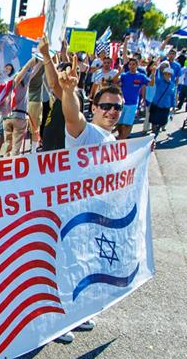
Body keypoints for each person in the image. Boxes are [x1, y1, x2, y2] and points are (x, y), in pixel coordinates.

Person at [53, 61, 124, 341]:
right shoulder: (87, 134)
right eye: (106, 106)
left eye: (117, 107)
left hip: (94, 216)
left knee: (84, 266)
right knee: (66, 268)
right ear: (93, 107)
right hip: (73, 215)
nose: (111, 112)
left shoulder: (112, 138)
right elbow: (72, 118)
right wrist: (69, 92)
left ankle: (76, 314)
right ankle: (57, 323)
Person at [116, 56, 149, 139]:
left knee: (127, 124)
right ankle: (121, 136)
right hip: (122, 103)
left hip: (133, 104)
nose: (131, 66)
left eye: (134, 64)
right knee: (119, 123)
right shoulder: (124, 75)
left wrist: (154, 73)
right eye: (130, 64)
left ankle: (123, 139)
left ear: (137, 65)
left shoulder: (141, 76)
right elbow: (115, 81)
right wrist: (119, 72)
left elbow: (150, 84)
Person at [147, 63, 178, 137]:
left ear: (171, 75)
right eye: (166, 74)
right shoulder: (159, 81)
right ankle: (153, 134)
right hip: (156, 104)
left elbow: (173, 96)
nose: (167, 75)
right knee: (154, 121)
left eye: (169, 74)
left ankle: (157, 129)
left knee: (163, 121)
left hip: (165, 106)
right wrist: (153, 74)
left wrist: (173, 106)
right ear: (163, 74)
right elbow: (152, 80)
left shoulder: (172, 85)